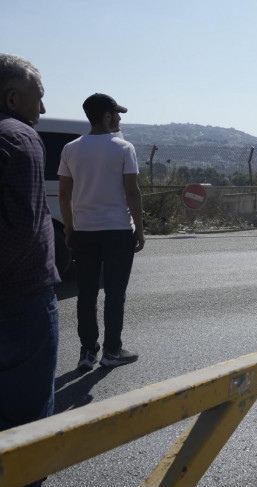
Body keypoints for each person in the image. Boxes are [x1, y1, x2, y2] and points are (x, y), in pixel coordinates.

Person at [0, 53, 60, 487]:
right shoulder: (19, 138)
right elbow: (21, 232)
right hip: (20, 304)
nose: (41, 109)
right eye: (37, 99)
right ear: (13, 97)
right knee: (26, 424)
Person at [58, 93, 145, 370]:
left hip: (84, 231)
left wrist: (69, 228)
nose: (119, 118)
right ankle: (112, 351)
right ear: (106, 116)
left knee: (86, 293)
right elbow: (132, 192)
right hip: (117, 230)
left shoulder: (71, 149)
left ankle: (87, 352)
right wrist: (139, 229)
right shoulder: (123, 148)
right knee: (115, 293)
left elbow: (64, 195)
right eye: (117, 114)